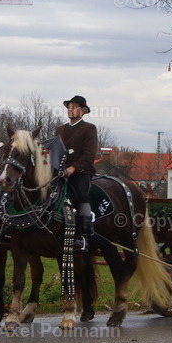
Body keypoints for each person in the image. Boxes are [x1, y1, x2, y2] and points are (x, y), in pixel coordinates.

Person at [56, 94, 99, 250]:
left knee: (82, 195)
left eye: (73, 107)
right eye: (69, 107)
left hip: (82, 172)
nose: (70, 109)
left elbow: (89, 154)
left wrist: (73, 168)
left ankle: (84, 236)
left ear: (82, 111)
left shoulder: (89, 128)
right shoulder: (60, 129)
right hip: (60, 172)